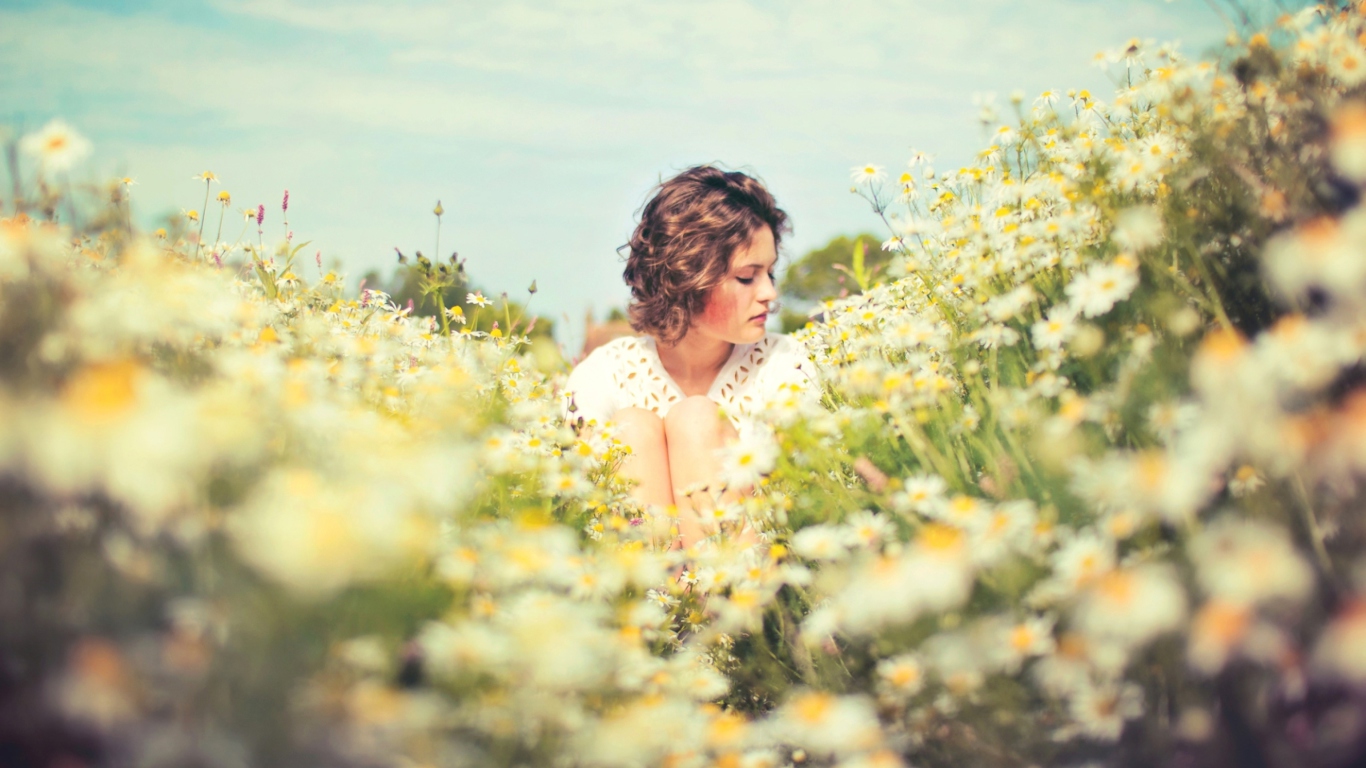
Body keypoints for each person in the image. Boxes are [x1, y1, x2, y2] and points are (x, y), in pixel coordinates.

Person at [561, 165, 820, 549]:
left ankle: (709, 604)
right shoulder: (604, 374)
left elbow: (801, 500)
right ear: (687, 277)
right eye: (748, 277)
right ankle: (672, 603)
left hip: (757, 591)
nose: (769, 293)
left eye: (770, 273)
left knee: (697, 419)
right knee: (631, 427)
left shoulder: (787, 364)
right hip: (641, 592)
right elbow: (573, 502)